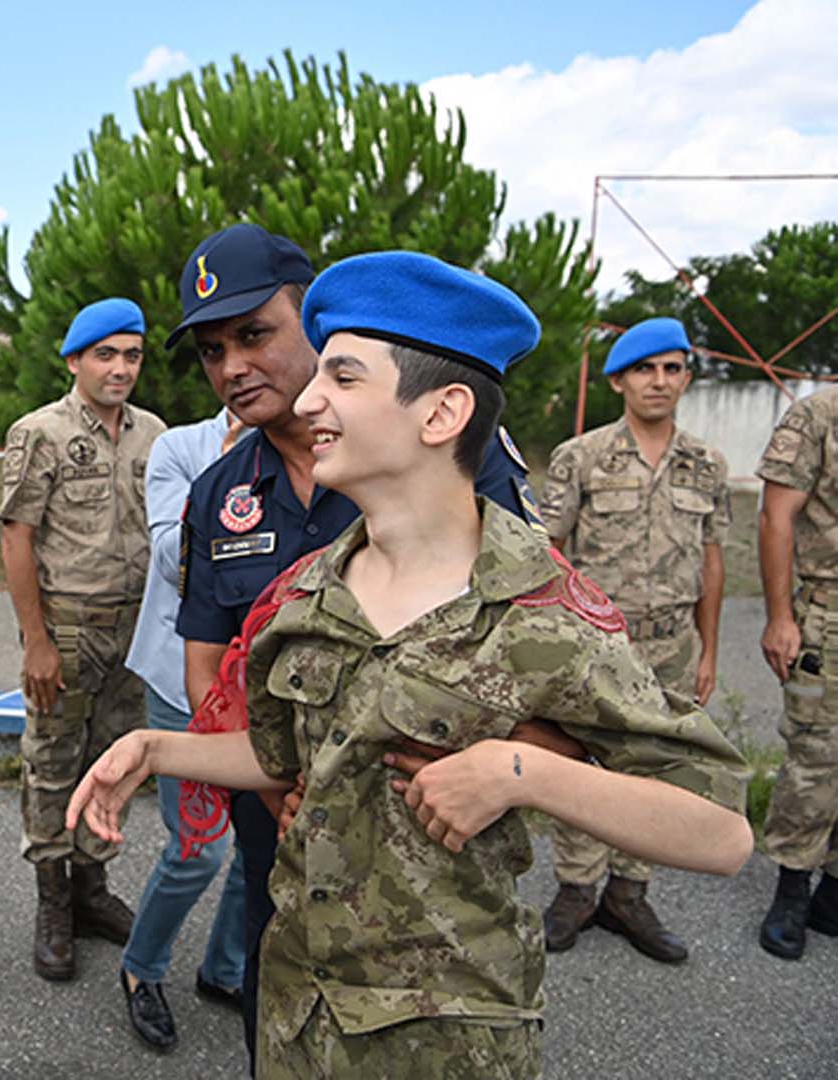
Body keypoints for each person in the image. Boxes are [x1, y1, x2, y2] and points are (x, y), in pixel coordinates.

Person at [68, 250, 753, 1080]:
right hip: (296, 1014)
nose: (311, 397)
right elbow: (288, 755)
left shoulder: (545, 611)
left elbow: (719, 832)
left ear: (441, 414)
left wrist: (518, 772)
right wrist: (155, 752)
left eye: (344, 379)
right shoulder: (302, 595)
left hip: (445, 1035)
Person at [165, 222, 542, 1066]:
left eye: (254, 333)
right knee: (282, 990)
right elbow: (206, 662)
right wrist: (268, 781)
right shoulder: (219, 493)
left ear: (319, 326)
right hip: (284, 817)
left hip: (424, 834)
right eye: (210, 350)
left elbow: (539, 653)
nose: (230, 368)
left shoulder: (447, 462)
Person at [535, 317, 730, 964]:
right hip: (594, 641)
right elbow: (547, 551)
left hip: (670, 643)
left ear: (684, 379)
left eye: (672, 368)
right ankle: (574, 889)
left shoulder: (706, 464)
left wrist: (708, 650)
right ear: (618, 380)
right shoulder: (581, 456)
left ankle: (628, 891)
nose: (659, 381)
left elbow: (710, 561)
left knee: (655, 771)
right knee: (578, 762)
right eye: (645, 369)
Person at [0, 297, 165, 981]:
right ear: (74, 361)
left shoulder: (154, 433)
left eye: (130, 354)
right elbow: (17, 537)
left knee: (113, 760)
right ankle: (52, 903)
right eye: (105, 354)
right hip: (67, 626)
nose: (120, 367)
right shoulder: (38, 432)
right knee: (51, 763)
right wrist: (34, 641)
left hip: (134, 627)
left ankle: (92, 891)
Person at [117, 405, 251, 1051]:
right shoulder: (182, 446)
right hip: (181, 678)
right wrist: (235, 470)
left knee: (262, 848)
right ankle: (141, 969)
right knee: (199, 848)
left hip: (269, 690)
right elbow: (175, 559)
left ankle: (224, 969)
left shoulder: (319, 444)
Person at [755, 382, 838, 960]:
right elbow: (774, 517)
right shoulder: (818, 414)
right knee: (816, 757)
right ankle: (791, 888)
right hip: (829, 614)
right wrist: (781, 616)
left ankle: (833, 890)